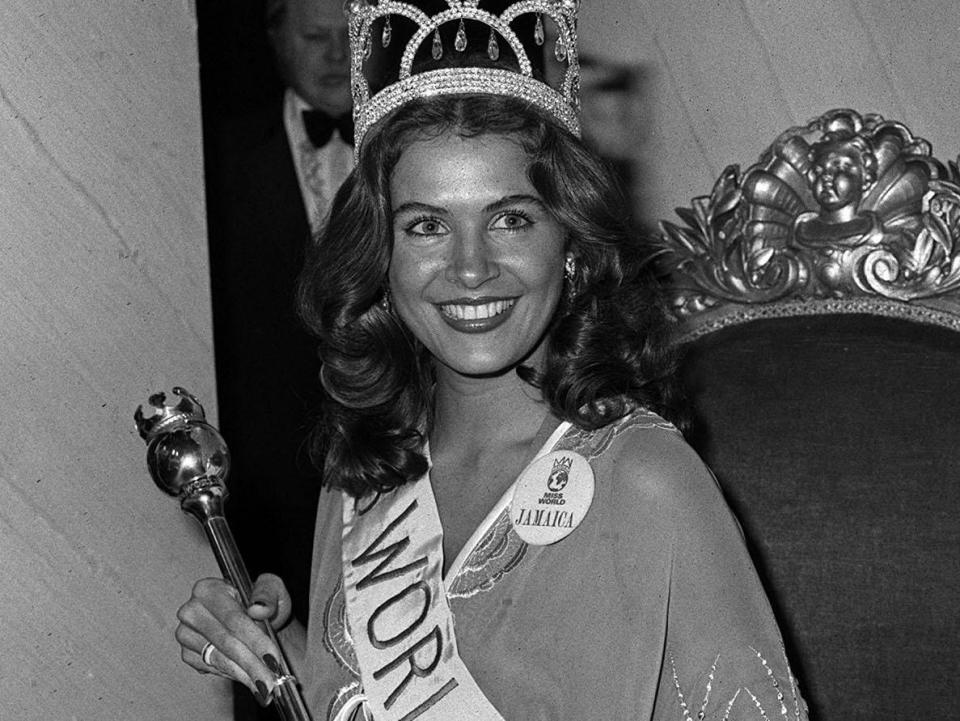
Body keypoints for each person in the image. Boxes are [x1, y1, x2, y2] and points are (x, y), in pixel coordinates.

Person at [178, 2, 810, 719]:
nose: (470, 267)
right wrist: (279, 653)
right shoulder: (365, 473)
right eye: (426, 226)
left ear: (570, 244)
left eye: (510, 218)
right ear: (380, 258)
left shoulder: (645, 478)